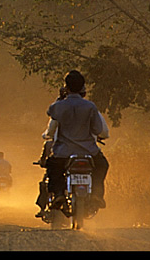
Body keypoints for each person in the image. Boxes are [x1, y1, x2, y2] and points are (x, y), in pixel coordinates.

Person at [44, 70, 109, 210]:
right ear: (82, 87)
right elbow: (98, 130)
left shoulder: (59, 106)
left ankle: (59, 194)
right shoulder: (90, 107)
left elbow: (51, 112)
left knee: (53, 167)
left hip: (63, 152)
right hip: (88, 151)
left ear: (66, 87)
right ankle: (97, 194)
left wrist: (60, 98)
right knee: (102, 165)